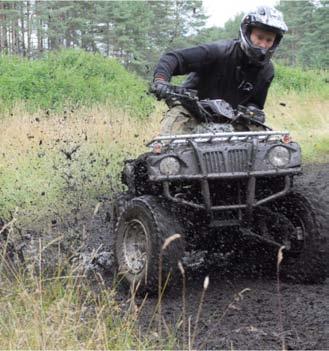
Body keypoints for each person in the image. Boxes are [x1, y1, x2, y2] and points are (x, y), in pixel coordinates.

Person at [151, 5, 288, 135]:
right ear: (247, 32)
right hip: (192, 110)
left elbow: (256, 103)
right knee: (167, 144)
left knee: (265, 142)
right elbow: (173, 58)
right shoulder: (218, 52)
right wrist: (161, 80)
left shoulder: (267, 71)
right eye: (259, 37)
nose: (263, 44)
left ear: (275, 42)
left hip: (232, 119)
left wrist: (252, 110)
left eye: (269, 40)